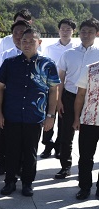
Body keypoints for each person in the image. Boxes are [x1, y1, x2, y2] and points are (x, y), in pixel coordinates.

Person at [0, 28, 59, 197]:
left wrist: (51, 116)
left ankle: (27, 183)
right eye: (24, 41)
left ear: (39, 42)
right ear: (19, 43)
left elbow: (53, 91)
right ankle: (9, 181)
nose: (27, 44)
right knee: (11, 150)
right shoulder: (10, 63)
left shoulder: (48, 65)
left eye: (32, 41)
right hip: (12, 115)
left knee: (30, 151)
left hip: (35, 116)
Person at [54, 18, 99, 180]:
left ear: (97, 34)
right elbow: (60, 78)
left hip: (92, 101)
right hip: (69, 97)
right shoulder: (69, 54)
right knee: (66, 134)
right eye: (83, 31)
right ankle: (65, 166)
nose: (86, 35)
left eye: (90, 32)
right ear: (79, 33)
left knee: (88, 138)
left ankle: (84, 169)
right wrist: (58, 100)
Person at [0, 20, 32, 176]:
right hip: (8, 100)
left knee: (23, 138)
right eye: (15, 33)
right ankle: (3, 164)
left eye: (21, 32)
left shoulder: (38, 56)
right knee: (4, 135)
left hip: (26, 103)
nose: (18, 36)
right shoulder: (6, 55)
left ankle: (21, 167)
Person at [40, 18, 77, 159]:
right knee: (49, 117)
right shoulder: (50, 48)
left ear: (73, 31)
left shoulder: (76, 49)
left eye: (68, 29)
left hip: (67, 91)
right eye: (63, 29)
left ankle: (59, 146)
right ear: (58, 30)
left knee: (63, 120)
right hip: (50, 89)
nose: (65, 32)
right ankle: (47, 145)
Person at [73, 59, 99, 200]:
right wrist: (77, 118)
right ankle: (84, 187)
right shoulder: (89, 69)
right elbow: (80, 95)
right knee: (85, 157)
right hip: (89, 120)